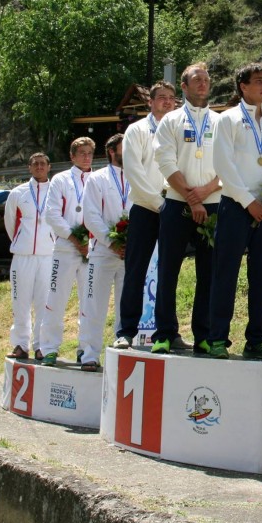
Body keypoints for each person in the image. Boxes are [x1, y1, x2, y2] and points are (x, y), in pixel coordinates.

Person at [207, 62, 262, 360]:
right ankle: (217, 338)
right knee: (225, 273)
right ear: (243, 86)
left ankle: (256, 339)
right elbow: (223, 165)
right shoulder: (227, 119)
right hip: (236, 206)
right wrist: (248, 202)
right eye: (258, 81)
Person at [151, 63, 221, 355]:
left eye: (206, 79)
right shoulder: (171, 120)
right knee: (168, 270)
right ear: (184, 86)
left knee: (209, 273)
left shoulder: (221, 121)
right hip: (177, 203)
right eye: (196, 79)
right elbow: (165, 162)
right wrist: (192, 198)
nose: (202, 83)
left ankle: (204, 335)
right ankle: (164, 333)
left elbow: (229, 165)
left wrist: (206, 192)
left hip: (213, 202)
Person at [113, 82, 177, 350]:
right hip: (145, 208)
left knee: (169, 273)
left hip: (174, 207)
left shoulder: (178, 128)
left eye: (171, 98)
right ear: (150, 102)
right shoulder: (137, 130)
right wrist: (159, 203)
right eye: (161, 98)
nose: (167, 102)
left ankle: (168, 332)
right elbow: (133, 171)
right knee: (135, 271)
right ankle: (126, 331)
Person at [38, 137, 94, 366]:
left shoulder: (98, 179)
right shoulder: (60, 179)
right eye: (82, 153)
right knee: (56, 298)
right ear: (72, 156)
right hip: (65, 247)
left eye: (90, 153)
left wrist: (90, 240)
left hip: (91, 249)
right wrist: (74, 238)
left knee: (90, 301)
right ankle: (49, 348)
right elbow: (51, 214)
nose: (86, 157)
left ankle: (86, 349)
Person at [79, 134, 129, 372]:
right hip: (102, 251)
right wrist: (112, 242)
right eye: (124, 147)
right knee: (94, 305)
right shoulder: (97, 178)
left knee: (126, 305)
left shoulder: (137, 176)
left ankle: (121, 352)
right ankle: (89, 354)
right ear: (112, 151)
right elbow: (90, 216)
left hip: (130, 252)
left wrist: (132, 241)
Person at [4, 153, 55, 360]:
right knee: (20, 301)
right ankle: (20, 344)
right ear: (29, 167)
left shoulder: (55, 191)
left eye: (43, 164)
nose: (39, 167)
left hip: (48, 255)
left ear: (49, 167)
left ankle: (41, 345)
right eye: (36, 164)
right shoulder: (18, 193)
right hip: (22, 255)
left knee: (45, 301)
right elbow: (10, 222)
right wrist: (21, 242)